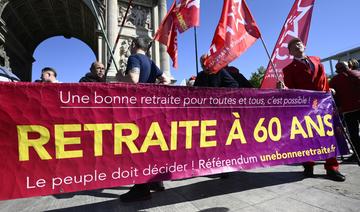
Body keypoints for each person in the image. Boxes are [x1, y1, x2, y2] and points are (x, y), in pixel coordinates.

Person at [283, 37, 345, 181]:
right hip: (304, 108)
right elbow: (291, 89)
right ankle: (308, 166)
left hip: (324, 105)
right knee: (307, 137)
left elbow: (323, 79)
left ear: (303, 45)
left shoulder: (317, 60)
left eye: (299, 44)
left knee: (328, 135)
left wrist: (330, 90)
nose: (297, 46)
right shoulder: (288, 69)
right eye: (293, 46)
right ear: (290, 52)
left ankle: (332, 168)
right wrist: (284, 89)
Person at [118, 36, 169, 203]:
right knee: (150, 146)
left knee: (138, 146)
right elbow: (165, 80)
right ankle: (155, 181)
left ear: (133, 45)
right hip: (150, 109)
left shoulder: (134, 58)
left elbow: (134, 79)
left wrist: (120, 78)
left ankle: (141, 188)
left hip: (137, 109)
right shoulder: (151, 62)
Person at [330, 61, 360, 162]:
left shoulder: (334, 80)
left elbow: (333, 96)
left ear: (337, 70)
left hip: (348, 110)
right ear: (349, 67)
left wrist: (338, 107)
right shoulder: (358, 74)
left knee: (353, 134)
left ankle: (357, 154)